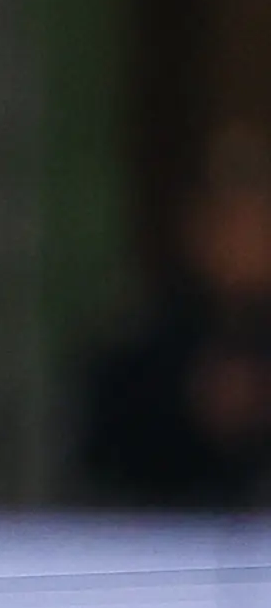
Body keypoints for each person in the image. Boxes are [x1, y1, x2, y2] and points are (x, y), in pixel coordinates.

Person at [82, 128, 271, 513]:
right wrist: (190, 403)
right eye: (227, 222)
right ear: (196, 230)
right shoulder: (141, 343)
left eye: (257, 223)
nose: (242, 241)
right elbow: (103, 462)